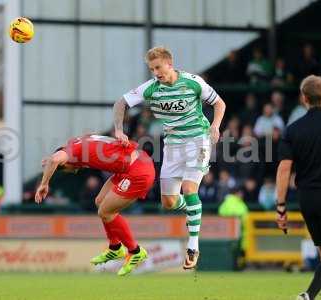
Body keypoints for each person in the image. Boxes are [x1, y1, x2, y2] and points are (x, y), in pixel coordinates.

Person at [113, 46, 226, 269]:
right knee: (168, 202)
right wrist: (119, 129)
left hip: (198, 140)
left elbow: (219, 103)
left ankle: (193, 246)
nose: (156, 72)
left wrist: (215, 126)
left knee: (189, 188)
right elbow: (121, 103)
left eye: (158, 67)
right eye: (152, 69)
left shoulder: (193, 82)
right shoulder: (152, 88)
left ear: (170, 64)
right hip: (172, 145)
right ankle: (194, 210)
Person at [35, 134, 155, 276]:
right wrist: (52, 160)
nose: (75, 170)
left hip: (138, 170)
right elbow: (58, 158)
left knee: (105, 212)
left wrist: (44, 184)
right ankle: (115, 247)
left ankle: (135, 251)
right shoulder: (77, 142)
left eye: (69, 169)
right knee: (99, 202)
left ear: (65, 162)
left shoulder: (72, 152)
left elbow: (55, 159)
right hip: (129, 166)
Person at [276, 75, 321, 300]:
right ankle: (308, 295)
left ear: (304, 98)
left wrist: (281, 206)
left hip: (307, 198)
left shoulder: (293, 130)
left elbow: (284, 169)